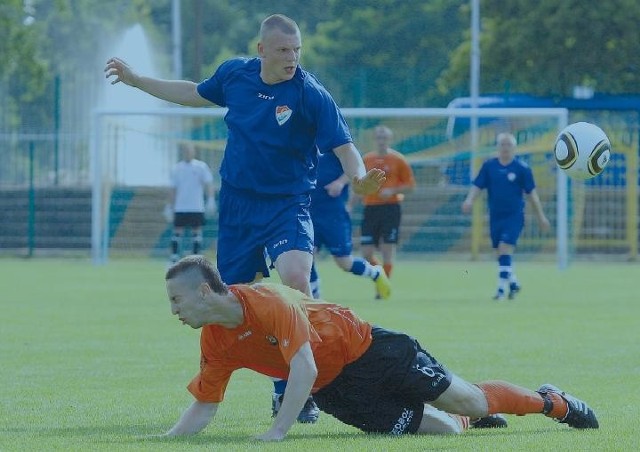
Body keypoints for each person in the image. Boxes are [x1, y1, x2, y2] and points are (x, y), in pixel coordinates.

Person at [105, 13, 385, 424]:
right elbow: (191, 93)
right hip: (237, 207)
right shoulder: (235, 75)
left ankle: (301, 386)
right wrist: (137, 80)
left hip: (287, 203)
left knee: (295, 279)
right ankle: (246, 386)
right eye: (283, 50)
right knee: (232, 300)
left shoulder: (310, 93)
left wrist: (359, 180)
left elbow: (345, 148)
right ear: (262, 50)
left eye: (297, 50)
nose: (292, 58)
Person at [162, 255, 598, 442]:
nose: (174, 311)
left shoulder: (268, 300)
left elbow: (303, 368)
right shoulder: (214, 339)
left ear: (204, 292)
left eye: (177, 300)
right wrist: (165, 439)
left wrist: (278, 432)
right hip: (339, 393)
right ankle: (461, 418)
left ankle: (554, 403)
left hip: (372, 351)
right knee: (447, 430)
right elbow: (205, 405)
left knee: (476, 400)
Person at [461, 132, 551, 300]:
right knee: (500, 253)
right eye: (502, 144)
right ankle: (513, 283)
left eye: (508, 145)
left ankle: (501, 290)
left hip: (514, 216)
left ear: (514, 148)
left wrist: (541, 217)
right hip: (495, 216)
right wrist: (469, 201)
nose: (505, 148)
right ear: (497, 147)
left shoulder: (522, 169)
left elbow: (532, 194)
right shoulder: (489, 166)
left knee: (504, 248)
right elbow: (477, 186)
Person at [309, 149, 391, 300]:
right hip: (309, 213)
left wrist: (340, 183)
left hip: (334, 216)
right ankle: (314, 297)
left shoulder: (335, 141)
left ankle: (375, 273)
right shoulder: (302, 142)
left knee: (344, 263)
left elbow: (354, 167)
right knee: (306, 256)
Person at [356, 125, 416, 298]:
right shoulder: (366, 159)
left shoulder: (398, 160)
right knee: (366, 252)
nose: (381, 140)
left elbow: (410, 186)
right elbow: (359, 183)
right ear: (374, 139)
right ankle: (380, 277)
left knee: (387, 249)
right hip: (370, 208)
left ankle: (382, 291)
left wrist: (392, 191)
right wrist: (351, 203)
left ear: (389, 140)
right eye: (378, 137)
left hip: (391, 208)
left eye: (384, 137)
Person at [165, 142, 216, 265]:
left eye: (190, 151)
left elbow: (208, 183)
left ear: (194, 152)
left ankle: (195, 259)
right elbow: (173, 189)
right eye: (186, 151)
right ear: (183, 153)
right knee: (177, 232)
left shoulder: (201, 167)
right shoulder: (177, 168)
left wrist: (210, 199)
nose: (188, 153)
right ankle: (174, 258)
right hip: (181, 206)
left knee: (196, 232)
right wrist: (169, 206)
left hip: (196, 206)